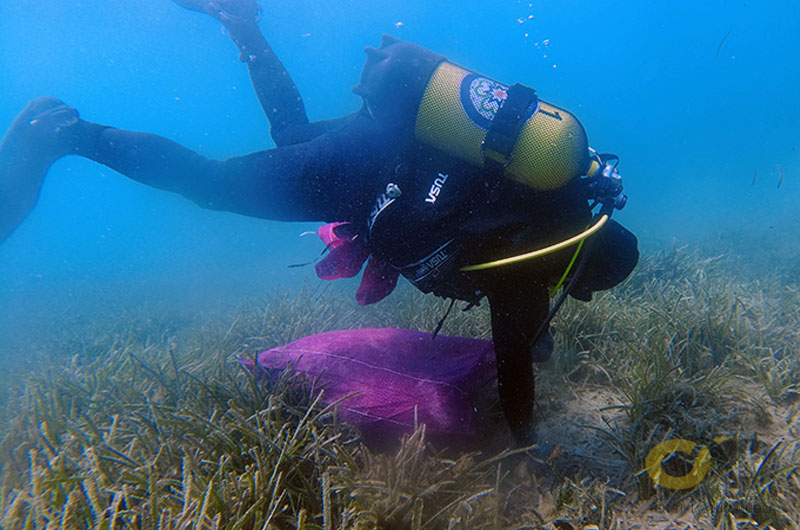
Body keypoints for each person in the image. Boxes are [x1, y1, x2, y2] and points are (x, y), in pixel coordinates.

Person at [0, 0, 638, 444]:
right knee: (216, 185)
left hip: (387, 146)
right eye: (577, 286)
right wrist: (526, 442)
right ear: (581, 269)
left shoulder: (553, 202)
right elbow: (513, 355)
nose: (565, 291)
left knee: (293, 135)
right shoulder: (529, 265)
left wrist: (533, 337)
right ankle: (66, 134)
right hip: (375, 169)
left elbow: (521, 332)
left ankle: (245, 27)